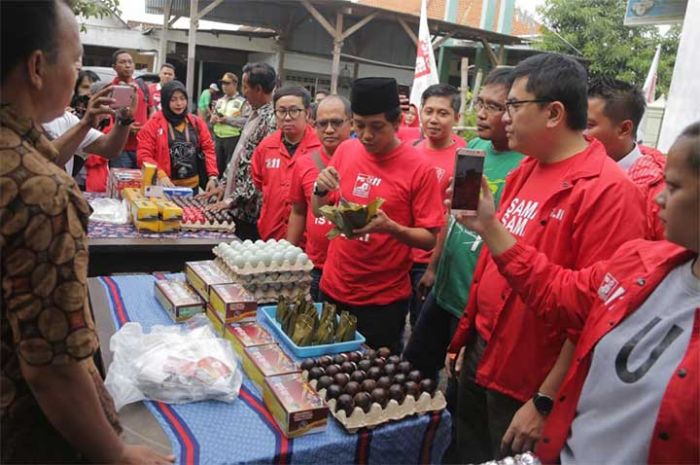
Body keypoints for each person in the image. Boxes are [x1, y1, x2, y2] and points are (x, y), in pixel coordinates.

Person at [445, 53, 648, 463]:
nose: (503, 117)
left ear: (554, 113)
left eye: (514, 106)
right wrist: (468, 336)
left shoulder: (609, 192)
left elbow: (595, 314)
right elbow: (492, 266)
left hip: (528, 380)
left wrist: (545, 400)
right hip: (485, 354)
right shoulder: (526, 170)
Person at [458, 121, 700, 465]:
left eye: (674, 187)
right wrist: (489, 226)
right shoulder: (641, 263)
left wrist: (543, 398)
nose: (659, 196)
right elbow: (559, 294)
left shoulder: (609, 191)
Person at [0, 1, 174, 463]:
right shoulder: (38, 189)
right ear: (38, 66)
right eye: (76, 60)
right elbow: (52, 364)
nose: (80, 72)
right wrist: (114, 453)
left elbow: (101, 146)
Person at [312, 77, 445, 353]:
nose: (366, 135)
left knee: (369, 382)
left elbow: (429, 239)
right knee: (325, 368)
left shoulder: (419, 168)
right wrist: (320, 189)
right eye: (359, 125)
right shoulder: (347, 150)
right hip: (333, 287)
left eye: (376, 127)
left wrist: (391, 228)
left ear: (397, 123)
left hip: (381, 302)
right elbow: (319, 211)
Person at [404, 70, 523, 378]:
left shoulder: (525, 165)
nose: (481, 114)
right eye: (480, 103)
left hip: (474, 305)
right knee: (414, 369)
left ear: (515, 109)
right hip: (444, 290)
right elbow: (453, 214)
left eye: (493, 107)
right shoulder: (474, 149)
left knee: (459, 388)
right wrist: (433, 267)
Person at [407, 84, 466, 329]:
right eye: (428, 111)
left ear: (456, 117)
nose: (433, 119)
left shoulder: (465, 157)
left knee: (422, 329)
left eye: (442, 113)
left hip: (433, 262)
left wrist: (433, 268)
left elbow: (455, 217)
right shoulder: (410, 151)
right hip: (404, 256)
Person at [287, 95, 353, 300]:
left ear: (351, 123)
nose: (329, 130)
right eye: (323, 124)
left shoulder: (365, 161)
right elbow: (298, 211)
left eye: (337, 122)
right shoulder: (304, 163)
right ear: (314, 126)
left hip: (350, 270)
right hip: (315, 266)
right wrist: (288, 257)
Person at [587, 77, 666, 239]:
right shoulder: (572, 171)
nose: (577, 133)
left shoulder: (657, 195)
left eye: (588, 125)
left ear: (624, 129)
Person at [208, 62, 278, 241]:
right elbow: (240, 156)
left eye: (246, 87)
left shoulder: (271, 120)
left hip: (249, 212)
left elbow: (259, 172)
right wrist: (223, 185)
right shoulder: (254, 114)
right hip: (236, 206)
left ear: (259, 89)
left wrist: (232, 200)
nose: (244, 92)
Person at [251, 86, 321, 240]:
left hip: (307, 240)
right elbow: (258, 182)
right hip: (270, 235)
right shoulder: (266, 146)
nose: (287, 117)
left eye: (294, 110)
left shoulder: (321, 148)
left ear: (307, 113)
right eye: (281, 111)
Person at [137, 80, 218, 191]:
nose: (179, 103)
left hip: (192, 187)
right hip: (165, 187)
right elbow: (144, 155)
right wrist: (160, 174)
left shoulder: (196, 123)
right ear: (165, 101)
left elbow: (208, 149)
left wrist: (212, 176)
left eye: (182, 99)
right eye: (173, 99)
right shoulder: (153, 124)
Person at [109, 49, 151, 169]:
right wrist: (125, 127)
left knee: (143, 185)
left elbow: (151, 111)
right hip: (121, 149)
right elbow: (108, 118)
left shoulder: (142, 86)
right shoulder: (111, 89)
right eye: (123, 62)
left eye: (130, 62)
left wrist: (146, 127)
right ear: (114, 67)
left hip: (143, 148)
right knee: (123, 186)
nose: (127, 65)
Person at [211, 72, 247, 175]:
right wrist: (213, 119)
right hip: (218, 138)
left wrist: (227, 120)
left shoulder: (243, 102)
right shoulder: (219, 101)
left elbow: (246, 121)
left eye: (227, 83)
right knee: (217, 168)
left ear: (235, 84)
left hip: (233, 139)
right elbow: (213, 117)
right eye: (222, 83)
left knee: (230, 169)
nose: (224, 86)